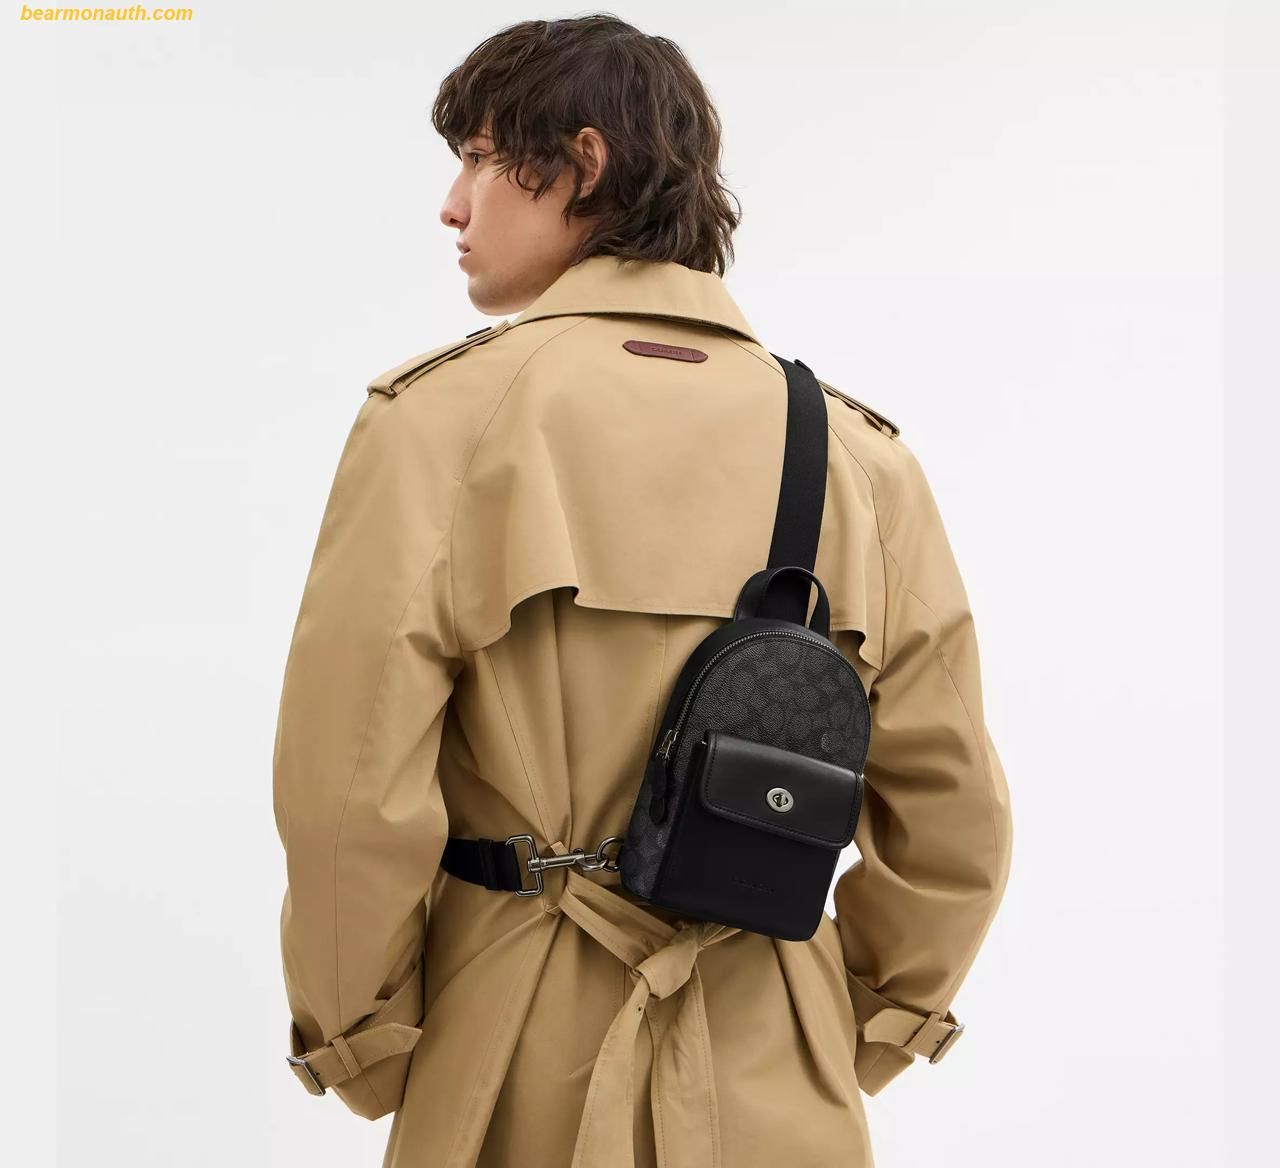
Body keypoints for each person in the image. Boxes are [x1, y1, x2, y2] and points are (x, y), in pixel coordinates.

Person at [273, 14, 1013, 1168]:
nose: (451, 205)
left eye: (479, 157)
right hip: (776, 1067)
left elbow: (349, 790)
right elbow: (951, 814)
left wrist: (361, 1040)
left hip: (509, 1047)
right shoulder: (860, 459)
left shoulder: (437, 423)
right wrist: (847, 1026)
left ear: (582, 163)